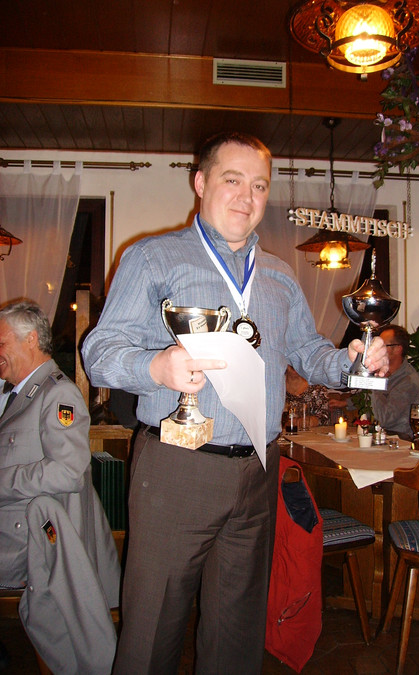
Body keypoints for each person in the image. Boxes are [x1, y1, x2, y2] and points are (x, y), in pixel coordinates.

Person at [81, 131, 388, 675]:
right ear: (200, 183)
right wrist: (156, 367)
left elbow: (308, 351)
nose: (247, 197)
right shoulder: (152, 257)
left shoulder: (279, 275)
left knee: (238, 635)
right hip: (177, 466)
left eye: (260, 185)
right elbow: (99, 352)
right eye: (232, 180)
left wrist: (352, 361)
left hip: (257, 472)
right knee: (152, 630)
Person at [0, 301, 120, 672]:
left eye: (1, 343)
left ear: (30, 340)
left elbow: (67, 471)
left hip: (25, 542)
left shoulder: (58, 395)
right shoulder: (19, 392)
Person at [371, 324, 419, 439]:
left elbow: (385, 419)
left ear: (398, 349)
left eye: (383, 346)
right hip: (380, 437)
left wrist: (374, 383)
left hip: (400, 440)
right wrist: (346, 403)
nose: (377, 350)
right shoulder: (387, 373)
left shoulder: (408, 381)